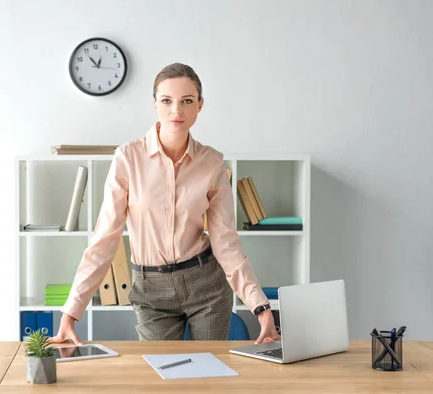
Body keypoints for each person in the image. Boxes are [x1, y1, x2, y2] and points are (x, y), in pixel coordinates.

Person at [49, 63, 280, 344]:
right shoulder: (128, 159)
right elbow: (104, 240)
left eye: (187, 101)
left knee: (208, 380)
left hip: (205, 283)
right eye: (167, 101)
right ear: (155, 104)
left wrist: (261, 307)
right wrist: (71, 313)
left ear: (200, 105)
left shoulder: (212, 163)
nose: (177, 111)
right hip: (150, 290)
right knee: (158, 380)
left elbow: (225, 241)